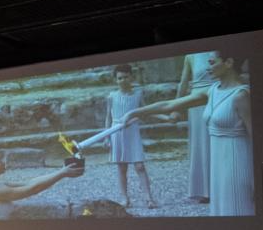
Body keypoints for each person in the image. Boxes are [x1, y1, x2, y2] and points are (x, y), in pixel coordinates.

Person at [119, 53, 252, 216]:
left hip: (236, 161)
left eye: (212, 63)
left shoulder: (242, 95)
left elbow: (256, 138)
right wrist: (134, 113)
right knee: (222, 211)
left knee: (238, 208)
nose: (207, 67)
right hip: (217, 162)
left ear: (229, 62)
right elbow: (169, 104)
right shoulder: (211, 91)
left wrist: (256, 179)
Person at [0, 148, 84, 220]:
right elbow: (33, 189)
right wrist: (62, 174)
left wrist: (61, 171)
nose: (3, 162)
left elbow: (30, 183)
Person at [105, 64, 157, 209]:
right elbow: (108, 117)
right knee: (122, 168)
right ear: (116, 80)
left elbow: (145, 112)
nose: (123, 80)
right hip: (117, 132)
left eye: (126, 77)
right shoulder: (112, 96)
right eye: (119, 78)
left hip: (132, 132)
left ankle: (148, 198)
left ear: (131, 77)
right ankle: (125, 198)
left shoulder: (138, 94)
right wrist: (107, 137)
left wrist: (133, 119)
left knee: (140, 166)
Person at [177, 51, 218, 201]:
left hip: (218, 97)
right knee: (201, 144)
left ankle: (221, 186)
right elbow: (183, 82)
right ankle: (204, 190)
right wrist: (176, 107)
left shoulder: (219, 51)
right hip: (197, 103)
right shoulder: (191, 56)